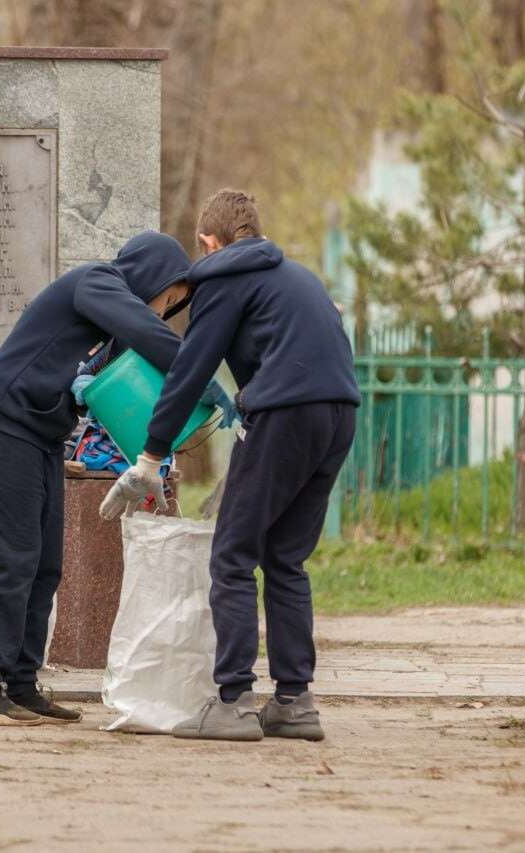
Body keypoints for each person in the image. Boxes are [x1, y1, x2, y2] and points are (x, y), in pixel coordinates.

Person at [100, 190, 361, 742]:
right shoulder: (299, 277)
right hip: (339, 415)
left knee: (233, 556)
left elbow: (189, 373)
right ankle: (294, 702)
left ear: (207, 242)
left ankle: (234, 702)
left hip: (284, 414)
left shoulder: (222, 278)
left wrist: (151, 455)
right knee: (286, 558)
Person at [0, 231, 195, 727]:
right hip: (4, 427)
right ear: (151, 275)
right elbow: (150, 337)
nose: (162, 312)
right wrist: (199, 371)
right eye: (167, 298)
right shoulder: (96, 282)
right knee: (12, 560)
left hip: (42, 437)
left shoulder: (111, 325)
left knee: (44, 567)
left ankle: (21, 684)